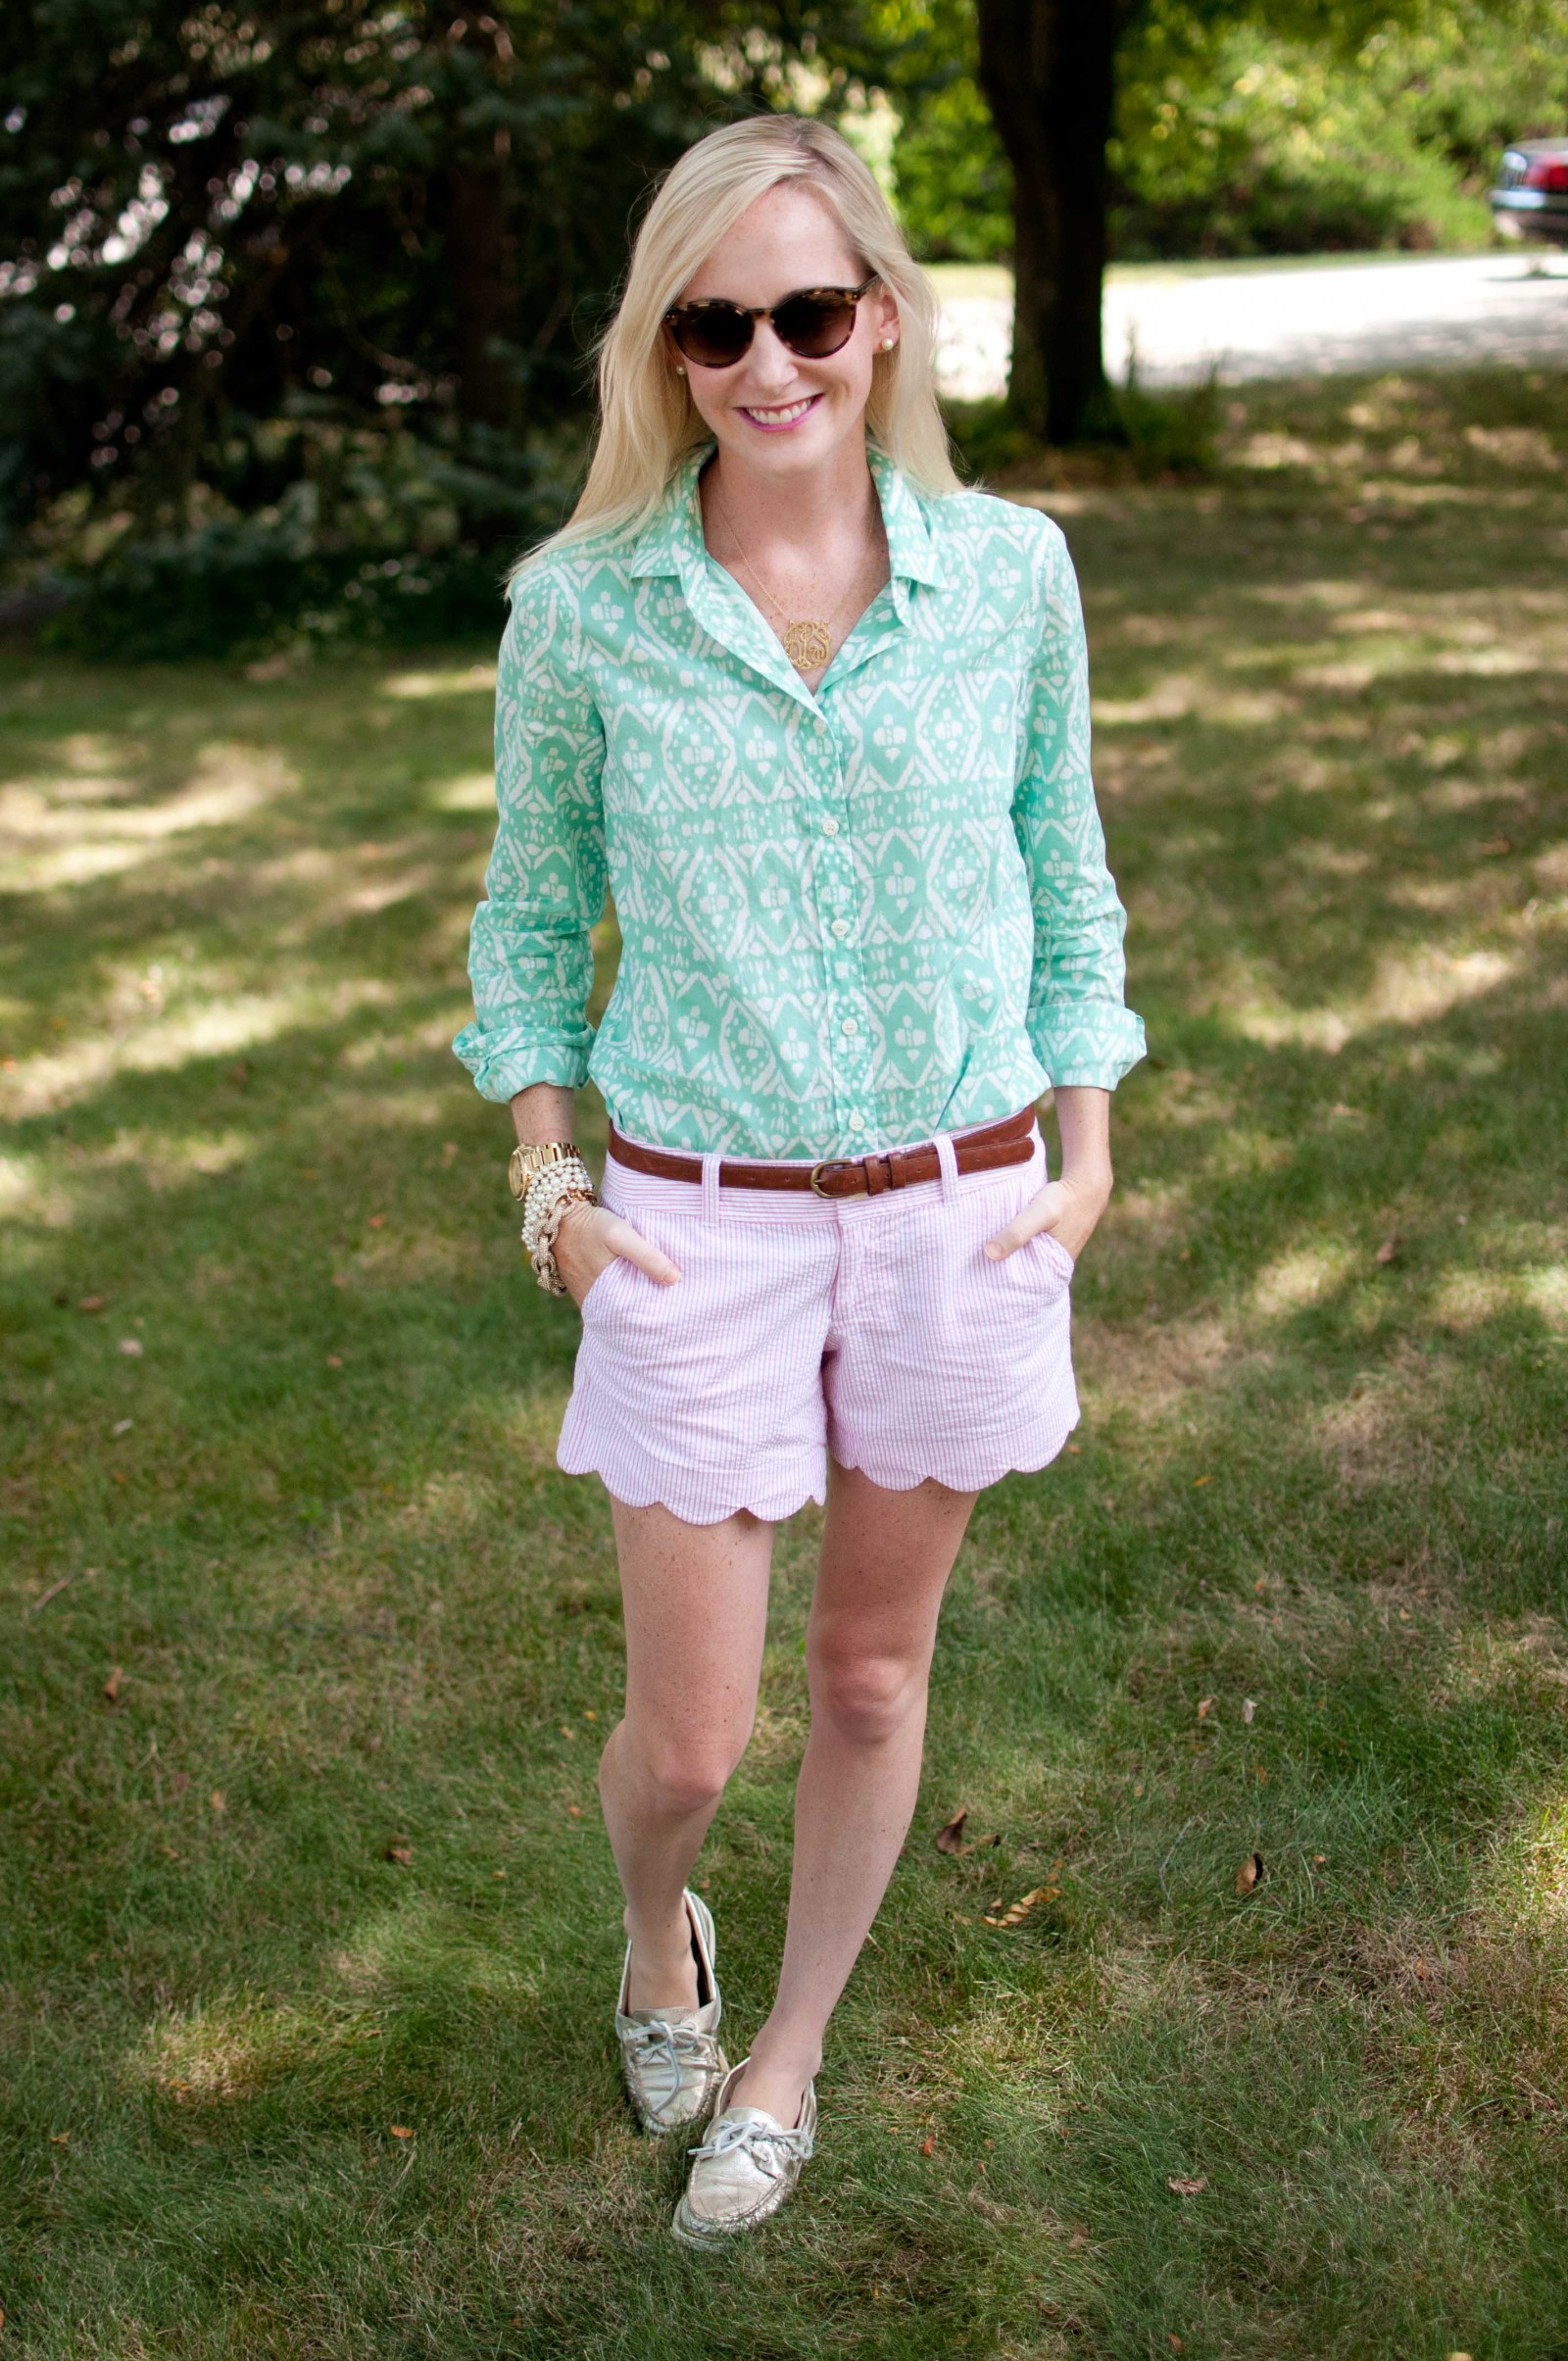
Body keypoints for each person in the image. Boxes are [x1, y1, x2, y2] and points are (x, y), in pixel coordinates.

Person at [453, 112, 1145, 2249]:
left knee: (866, 1675)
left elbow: (1065, 868)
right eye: (716, 320)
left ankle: (783, 2065)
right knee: (685, 1734)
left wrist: (1086, 1149)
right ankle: (656, 1931)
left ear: (881, 318)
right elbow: (524, 918)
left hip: (958, 1205)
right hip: (695, 1219)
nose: (770, 362)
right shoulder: (582, 611)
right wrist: (549, 1189)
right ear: (664, 347)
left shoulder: (1008, 566)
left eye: (809, 311)